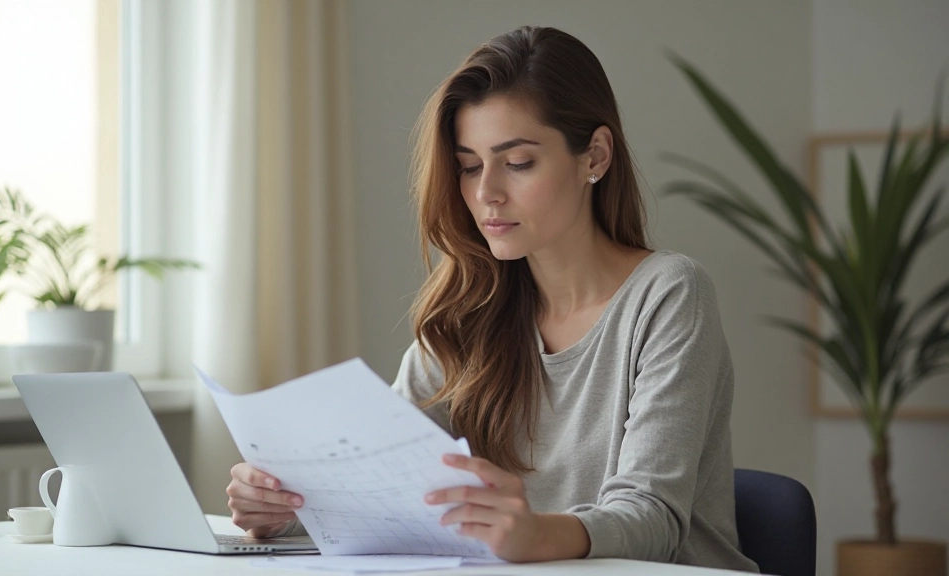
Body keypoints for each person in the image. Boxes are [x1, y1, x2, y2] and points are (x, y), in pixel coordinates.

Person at [226, 25, 758, 572]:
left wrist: (532, 533)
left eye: (519, 162)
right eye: (470, 166)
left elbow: (652, 519)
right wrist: (285, 505)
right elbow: (381, 481)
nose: (486, 194)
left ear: (594, 156)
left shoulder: (668, 293)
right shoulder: (470, 310)